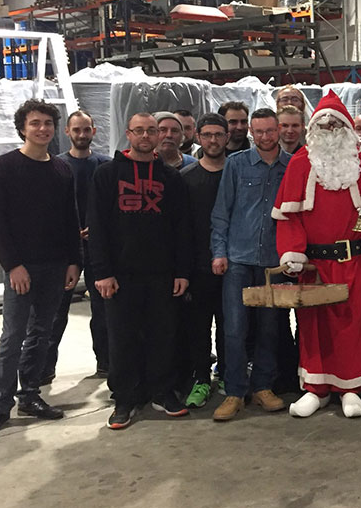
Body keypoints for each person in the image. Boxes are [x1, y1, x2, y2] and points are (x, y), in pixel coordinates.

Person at [273, 91, 361, 419]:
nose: (329, 131)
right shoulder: (300, 163)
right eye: (323, 126)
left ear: (346, 129)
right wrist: (292, 252)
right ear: (313, 130)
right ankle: (316, 388)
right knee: (314, 327)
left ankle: (351, 387)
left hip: (354, 261)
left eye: (335, 126)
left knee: (354, 324)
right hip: (314, 266)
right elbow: (289, 216)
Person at [0, 100, 81, 440]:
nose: (42, 129)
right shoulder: (4, 167)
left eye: (47, 123)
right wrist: (13, 265)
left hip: (55, 265)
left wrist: (74, 261)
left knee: (42, 332)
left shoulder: (61, 170)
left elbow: (70, 219)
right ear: (22, 128)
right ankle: (0, 405)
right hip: (21, 267)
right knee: (13, 336)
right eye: (35, 123)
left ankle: (29, 395)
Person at [86, 112, 192, 430]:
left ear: (158, 136)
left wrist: (182, 271)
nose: (146, 136)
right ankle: (125, 398)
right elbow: (98, 227)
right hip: (120, 276)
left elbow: (182, 228)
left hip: (162, 274)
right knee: (122, 338)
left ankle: (162, 391)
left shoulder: (171, 178)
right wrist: (102, 272)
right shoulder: (106, 174)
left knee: (164, 335)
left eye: (151, 131)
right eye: (139, 130)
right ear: (129, 134)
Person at [209, 109, 292, 421]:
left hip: (274, 262)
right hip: (239, 260)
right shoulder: (236, 164)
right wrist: (219, 252)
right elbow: (222, 212)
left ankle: (263, 387)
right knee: (234, 328)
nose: (265, 137)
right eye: (259, 132)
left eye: (270, 131)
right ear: (251, 133)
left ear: (278, 130)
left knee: (270, 328)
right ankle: (234, 392)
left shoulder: (292, 165)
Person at [42, 110, 111, 384]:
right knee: (55, 311)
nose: (82, 134)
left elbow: (113, 206)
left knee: (103, 310)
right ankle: (44, 368)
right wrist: (70, 232)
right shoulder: (55, 166)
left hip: (99, 249)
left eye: (86, 129)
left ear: (94, 131)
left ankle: (106, 364)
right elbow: (47, 210)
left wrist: (98, 229)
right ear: (67, 132)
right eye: (76, 129)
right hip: (64, 250)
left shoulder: (105, 166)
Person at [179, 113, 229, 409]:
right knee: (198, 327)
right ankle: (201, 378)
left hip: (232, 265)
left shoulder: (235, 174)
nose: (213, 140)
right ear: (198, 137)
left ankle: (226, 374)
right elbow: (181, 229)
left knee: (230, 325)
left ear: (226, 137)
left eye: (218, 134)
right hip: (198, 267)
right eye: (207, 135)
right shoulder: (186, 178)